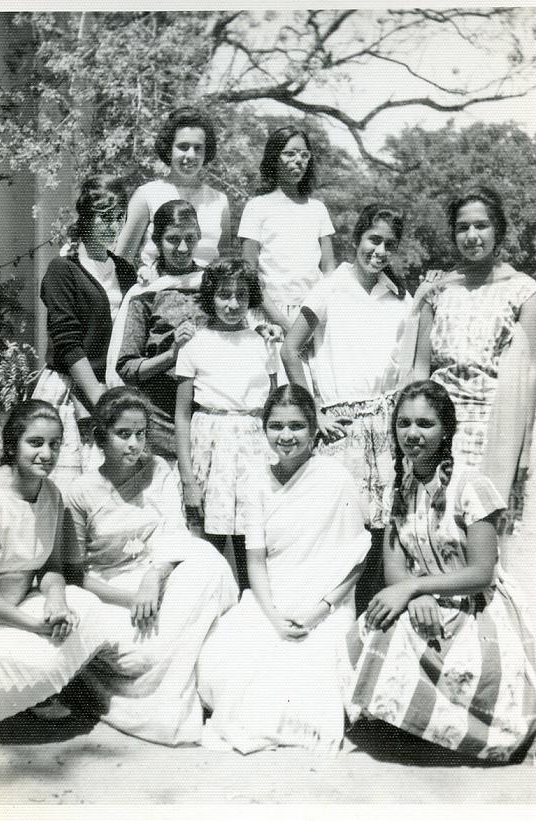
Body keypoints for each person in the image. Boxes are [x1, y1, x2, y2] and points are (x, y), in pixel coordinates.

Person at [343, 380, 536, 763]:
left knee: (474, 664)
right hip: (425, 596)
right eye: (404, 423)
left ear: (446, 429)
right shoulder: (400, 488)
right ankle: (412, 727)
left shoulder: (471, 485)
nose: (412, 434)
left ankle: (456, 734)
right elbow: (394, 565)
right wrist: (418, 594)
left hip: (474, 604)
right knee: (377, 626)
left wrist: (415, 589)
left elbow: (482, 571)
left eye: (425, 424)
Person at [197, 385, 370, 754]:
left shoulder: (336, 478)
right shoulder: (257, 480)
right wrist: (273, 616)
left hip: (328, 603)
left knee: (306, 679)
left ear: (313, 430)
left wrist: (319, 611)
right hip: (271, 597)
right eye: (276, 426)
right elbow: (255, 560)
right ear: (265, 430)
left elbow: (357, 559)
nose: (286, 436)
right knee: (229, 662)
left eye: (297, 426)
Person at [65, 387, 238, 745]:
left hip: (160, 575)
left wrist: (153, 577)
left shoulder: (157, 469)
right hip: (110, 592)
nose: (134, 445)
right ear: (100, 437)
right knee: (144, 657)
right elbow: (75, 576)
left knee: (206, 559)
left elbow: (175, 534)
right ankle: (160, 705)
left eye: (140, 434)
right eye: (123, 434)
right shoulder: (79, 493)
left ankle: (180, 691)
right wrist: (131, 599)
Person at [281, 203, 412, 610]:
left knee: (384, 527)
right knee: (341, 524)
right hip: (343, 425)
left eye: (389, 244)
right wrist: (314, 410)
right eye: (374, 239)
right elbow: (290, 350)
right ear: (356, 240)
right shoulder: (330, 287)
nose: (379, 250)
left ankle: (372, 617)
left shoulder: (400, 297)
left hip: (387, 424)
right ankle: (329, 614)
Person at [0, 400, 115, 733]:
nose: (47, 453)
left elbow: (52, 566)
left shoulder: (52, 494)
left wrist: (56, 603)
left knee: (87, 607)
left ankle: (30, 692)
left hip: (22, 603)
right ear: (12, 444)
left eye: (55, 444)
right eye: (35, 443)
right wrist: (32, 626)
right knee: (26, 662)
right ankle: (8, 698)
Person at [412, 186, 536, 534]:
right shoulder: (437, 291)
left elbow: (529, 377)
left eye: (481, 226)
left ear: (498, 230)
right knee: (437, 529)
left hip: (496, 429)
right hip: (438, 426)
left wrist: (523, 457)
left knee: (485, 531)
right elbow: (421, 369)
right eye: (462, 227)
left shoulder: (524, 290)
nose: (471, 236)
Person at [175, 258, 277, 591]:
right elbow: (182, 414)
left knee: (254, 547)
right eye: (223, 295)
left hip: (253, 450)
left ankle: (254, 616)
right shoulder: (195, 344)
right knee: (209, 552)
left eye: (241, 296)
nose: (232, 304)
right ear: (210, 296)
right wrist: (189, 479)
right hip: (210, 451)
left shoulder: (262, 342)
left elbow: (274, 407)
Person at [32, 175, 136, 493]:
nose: (112, 226)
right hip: (71, 389)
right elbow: (67, 342)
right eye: (104, 217)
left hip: (114, 387)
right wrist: (102, 403)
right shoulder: (63, 270)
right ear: (86, 218)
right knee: (66, 494)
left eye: (119, 218)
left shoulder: (126, 270)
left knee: (110, 498)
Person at [111, 200, 208, 460]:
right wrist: (172, 355)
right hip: (158, 419)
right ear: (157, 241)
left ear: (199, 237)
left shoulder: (212, 286)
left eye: (190, 238)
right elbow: (127, 368)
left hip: (207, 417)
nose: (183, 247)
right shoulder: (146, 292)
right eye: (173, 239)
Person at [239, 126, 336, 340]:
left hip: (313, 315)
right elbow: (250, 273)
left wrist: (319, 311)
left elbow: (329, 268)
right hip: (269, 316)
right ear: (275, 158)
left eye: (304, 154)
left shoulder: (318, 209)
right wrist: (282, 322)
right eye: (290, 153)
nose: (298, 160)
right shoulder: (257, 207)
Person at [115, 106, 231, 278]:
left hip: (206, 295)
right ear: (169, 149)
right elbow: (122, 259)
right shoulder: (147, 195)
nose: (190, 155)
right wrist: (143, 276)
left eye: (198, 148)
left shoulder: (219, 201)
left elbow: (224, 262)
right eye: (183, 147)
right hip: (158, 292)